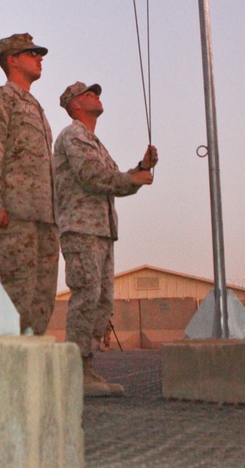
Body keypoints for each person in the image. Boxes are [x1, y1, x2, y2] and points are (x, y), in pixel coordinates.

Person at [53, 81, 158, 397]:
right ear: (74, 105)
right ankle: (75, 372)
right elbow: (93, 176)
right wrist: (133, 177)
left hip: (100, 229)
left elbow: (113, 180)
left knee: (101, 299)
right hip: (82, 228)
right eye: (88, 94)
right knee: (87, 295)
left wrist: (140, 169)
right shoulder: (73, 135)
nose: (95, 96)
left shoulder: (93, 141)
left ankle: (85, 367)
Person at [0, 33, 59, 336]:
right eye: (31, 53)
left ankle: (30, 371)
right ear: (12, 60)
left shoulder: (35, 107)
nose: (39, 57)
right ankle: (6, 372)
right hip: (15, 216)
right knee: (17, 297)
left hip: (45, 219)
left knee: (42, 302)